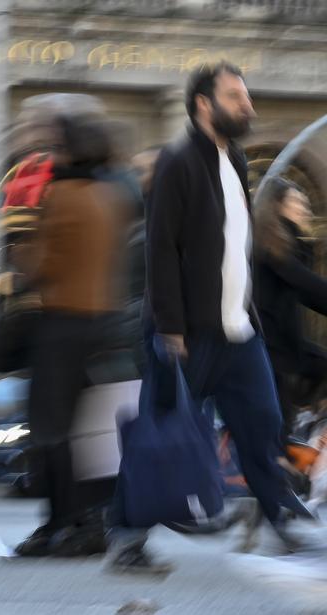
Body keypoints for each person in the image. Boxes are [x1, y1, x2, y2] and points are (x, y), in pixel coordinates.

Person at [106, 62, 320, 576]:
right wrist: (170, 327)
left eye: (246, 97)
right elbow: (161, 248)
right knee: (162, 434)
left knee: (263, 425)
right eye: (235, 97)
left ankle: (278, 518)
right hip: (186, 332)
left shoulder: (236, 157)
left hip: (238, 331)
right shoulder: (180, 161)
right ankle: (127, 539)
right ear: (205, 104)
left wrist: (247, 312)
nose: (247, 106)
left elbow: (232, 247)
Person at [10, 113, 130, 558]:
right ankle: (85, 522)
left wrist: (21, 257)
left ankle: (61, 523)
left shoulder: (62, 195)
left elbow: (44, 264)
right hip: (102, 323)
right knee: (86, 431)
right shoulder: (112, 195)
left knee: (49, 428)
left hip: (61, 320)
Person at [252, 178, 327, 440]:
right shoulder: (271, 247)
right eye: (297, 203)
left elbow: (310, 295)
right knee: (276, 437)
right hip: (272, 352)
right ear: (277, 207)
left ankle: (306, 421)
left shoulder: (287, 245)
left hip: (286, 346)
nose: (305, 209)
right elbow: (307, 284)